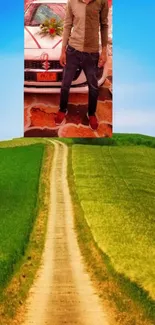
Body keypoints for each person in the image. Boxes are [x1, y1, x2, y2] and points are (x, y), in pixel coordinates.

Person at [55, 0, 109, 130]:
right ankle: (63, 109)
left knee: (94, 86)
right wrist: (63, 51)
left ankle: (91, 113)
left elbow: (104, 25)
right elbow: (67, 25)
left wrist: (104, 51)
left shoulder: (101, 2)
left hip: (92, 53)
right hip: (73, 50)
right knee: (65, 84)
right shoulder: (72, 1)